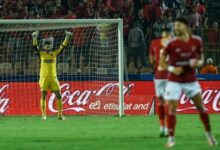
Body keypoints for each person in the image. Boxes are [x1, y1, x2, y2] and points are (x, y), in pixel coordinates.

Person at [160, 17, 218, 147]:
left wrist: (196, 63)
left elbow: (201, 59)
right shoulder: (171, 43)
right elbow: (162, 61)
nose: (176, 28)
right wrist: (172, 68)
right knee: (172, 109)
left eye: (179, 25)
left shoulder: (196, 41)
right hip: (174, 80)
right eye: (175, 26)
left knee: (201, 107)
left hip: (190, 80)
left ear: (186, 27)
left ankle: (209, 135)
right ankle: (171, 139)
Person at [31, 30, 72, 120]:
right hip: (44, 78)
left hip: (54, 78)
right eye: (46, 45)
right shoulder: (41, 54)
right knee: (43, 95)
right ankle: (44, 115)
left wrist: (67, 37)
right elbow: (35, 47)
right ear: (44, 47)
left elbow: (63, 47)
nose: (48, 46)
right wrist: (34, 37)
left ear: (51, 47)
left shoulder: (54, 54)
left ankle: (60, 115)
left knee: (59, 95)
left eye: (49, 45)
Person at [149, 27, 172, 137]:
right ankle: (167, 129)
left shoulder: (154, 42)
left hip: (158, 76)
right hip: (169, 76)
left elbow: (151, 60)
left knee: (160, 102)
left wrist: (156, 64)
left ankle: (162, 128)